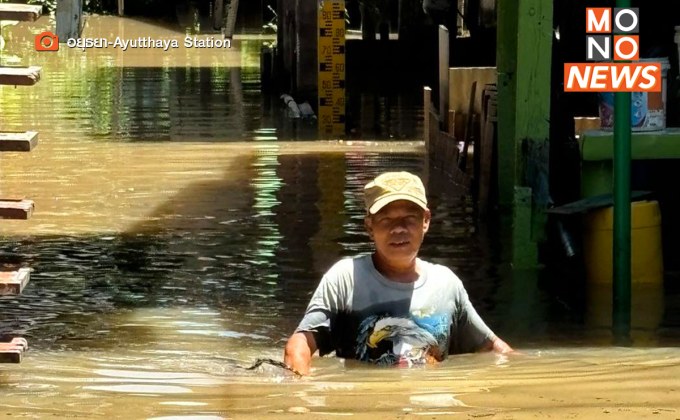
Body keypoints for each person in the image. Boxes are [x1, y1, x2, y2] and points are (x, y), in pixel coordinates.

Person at [284, 171, 512, 375]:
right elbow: (299, 346)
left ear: (426, 221)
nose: (399, 228)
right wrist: (302, 398)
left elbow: (491, 348)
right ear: (369, 227)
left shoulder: (446, 285)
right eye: (386, 219)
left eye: (409, 219)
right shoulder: (346, 279)